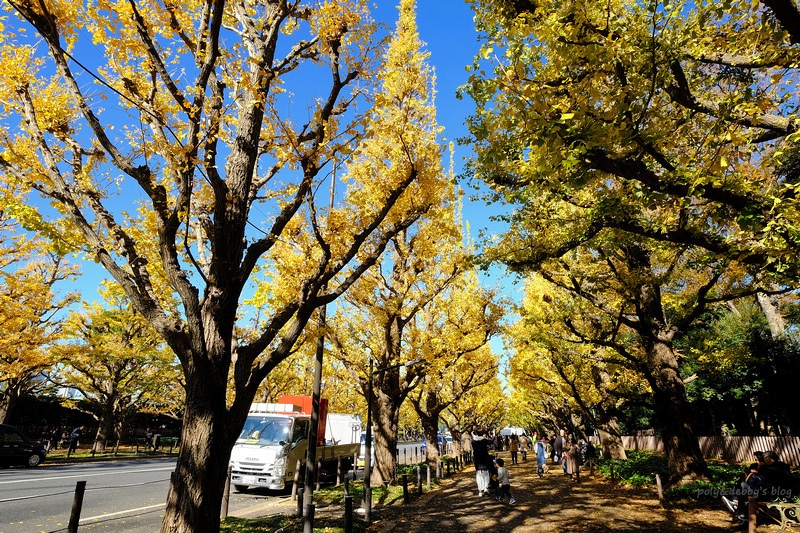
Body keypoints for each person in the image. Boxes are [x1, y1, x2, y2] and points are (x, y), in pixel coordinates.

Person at [472, 429, 492, 496]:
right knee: (486, 474)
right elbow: (491, 441)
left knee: (479, 474)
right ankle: (486, 488)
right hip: (485, 458)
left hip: (477, 459)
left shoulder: (473, 440)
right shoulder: (484, 440)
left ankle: (480, 490)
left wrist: (473, 435)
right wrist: (493, 435)